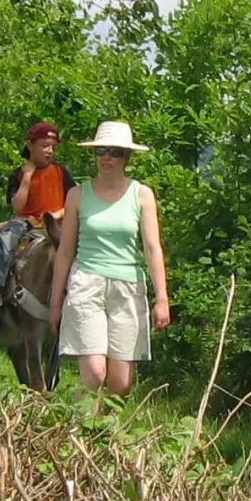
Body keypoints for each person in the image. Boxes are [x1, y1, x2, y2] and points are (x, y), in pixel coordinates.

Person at [47, 120, 170, 395]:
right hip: (86, 284)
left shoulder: (142, 195)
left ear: (126, 157)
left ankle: (106, 434)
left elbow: (152, 249)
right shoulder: (77, 195)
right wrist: (55, 303)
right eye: (101, 150)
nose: (106, 157)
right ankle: (80, 432)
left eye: (114, 151)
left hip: (127, 287)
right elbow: (65, 251)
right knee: (93, 373)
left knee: (121, 383)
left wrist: (161, 299)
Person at [8, 121, 75, 223]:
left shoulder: (60, 171)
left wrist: (57, 215)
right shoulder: (18, 174)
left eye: (53, 147)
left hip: (55, 226)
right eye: (45, 146)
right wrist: (27, 176)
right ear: (30, 145)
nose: (50, 151)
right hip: (26, 226)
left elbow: (75, 202)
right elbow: (17, 207)